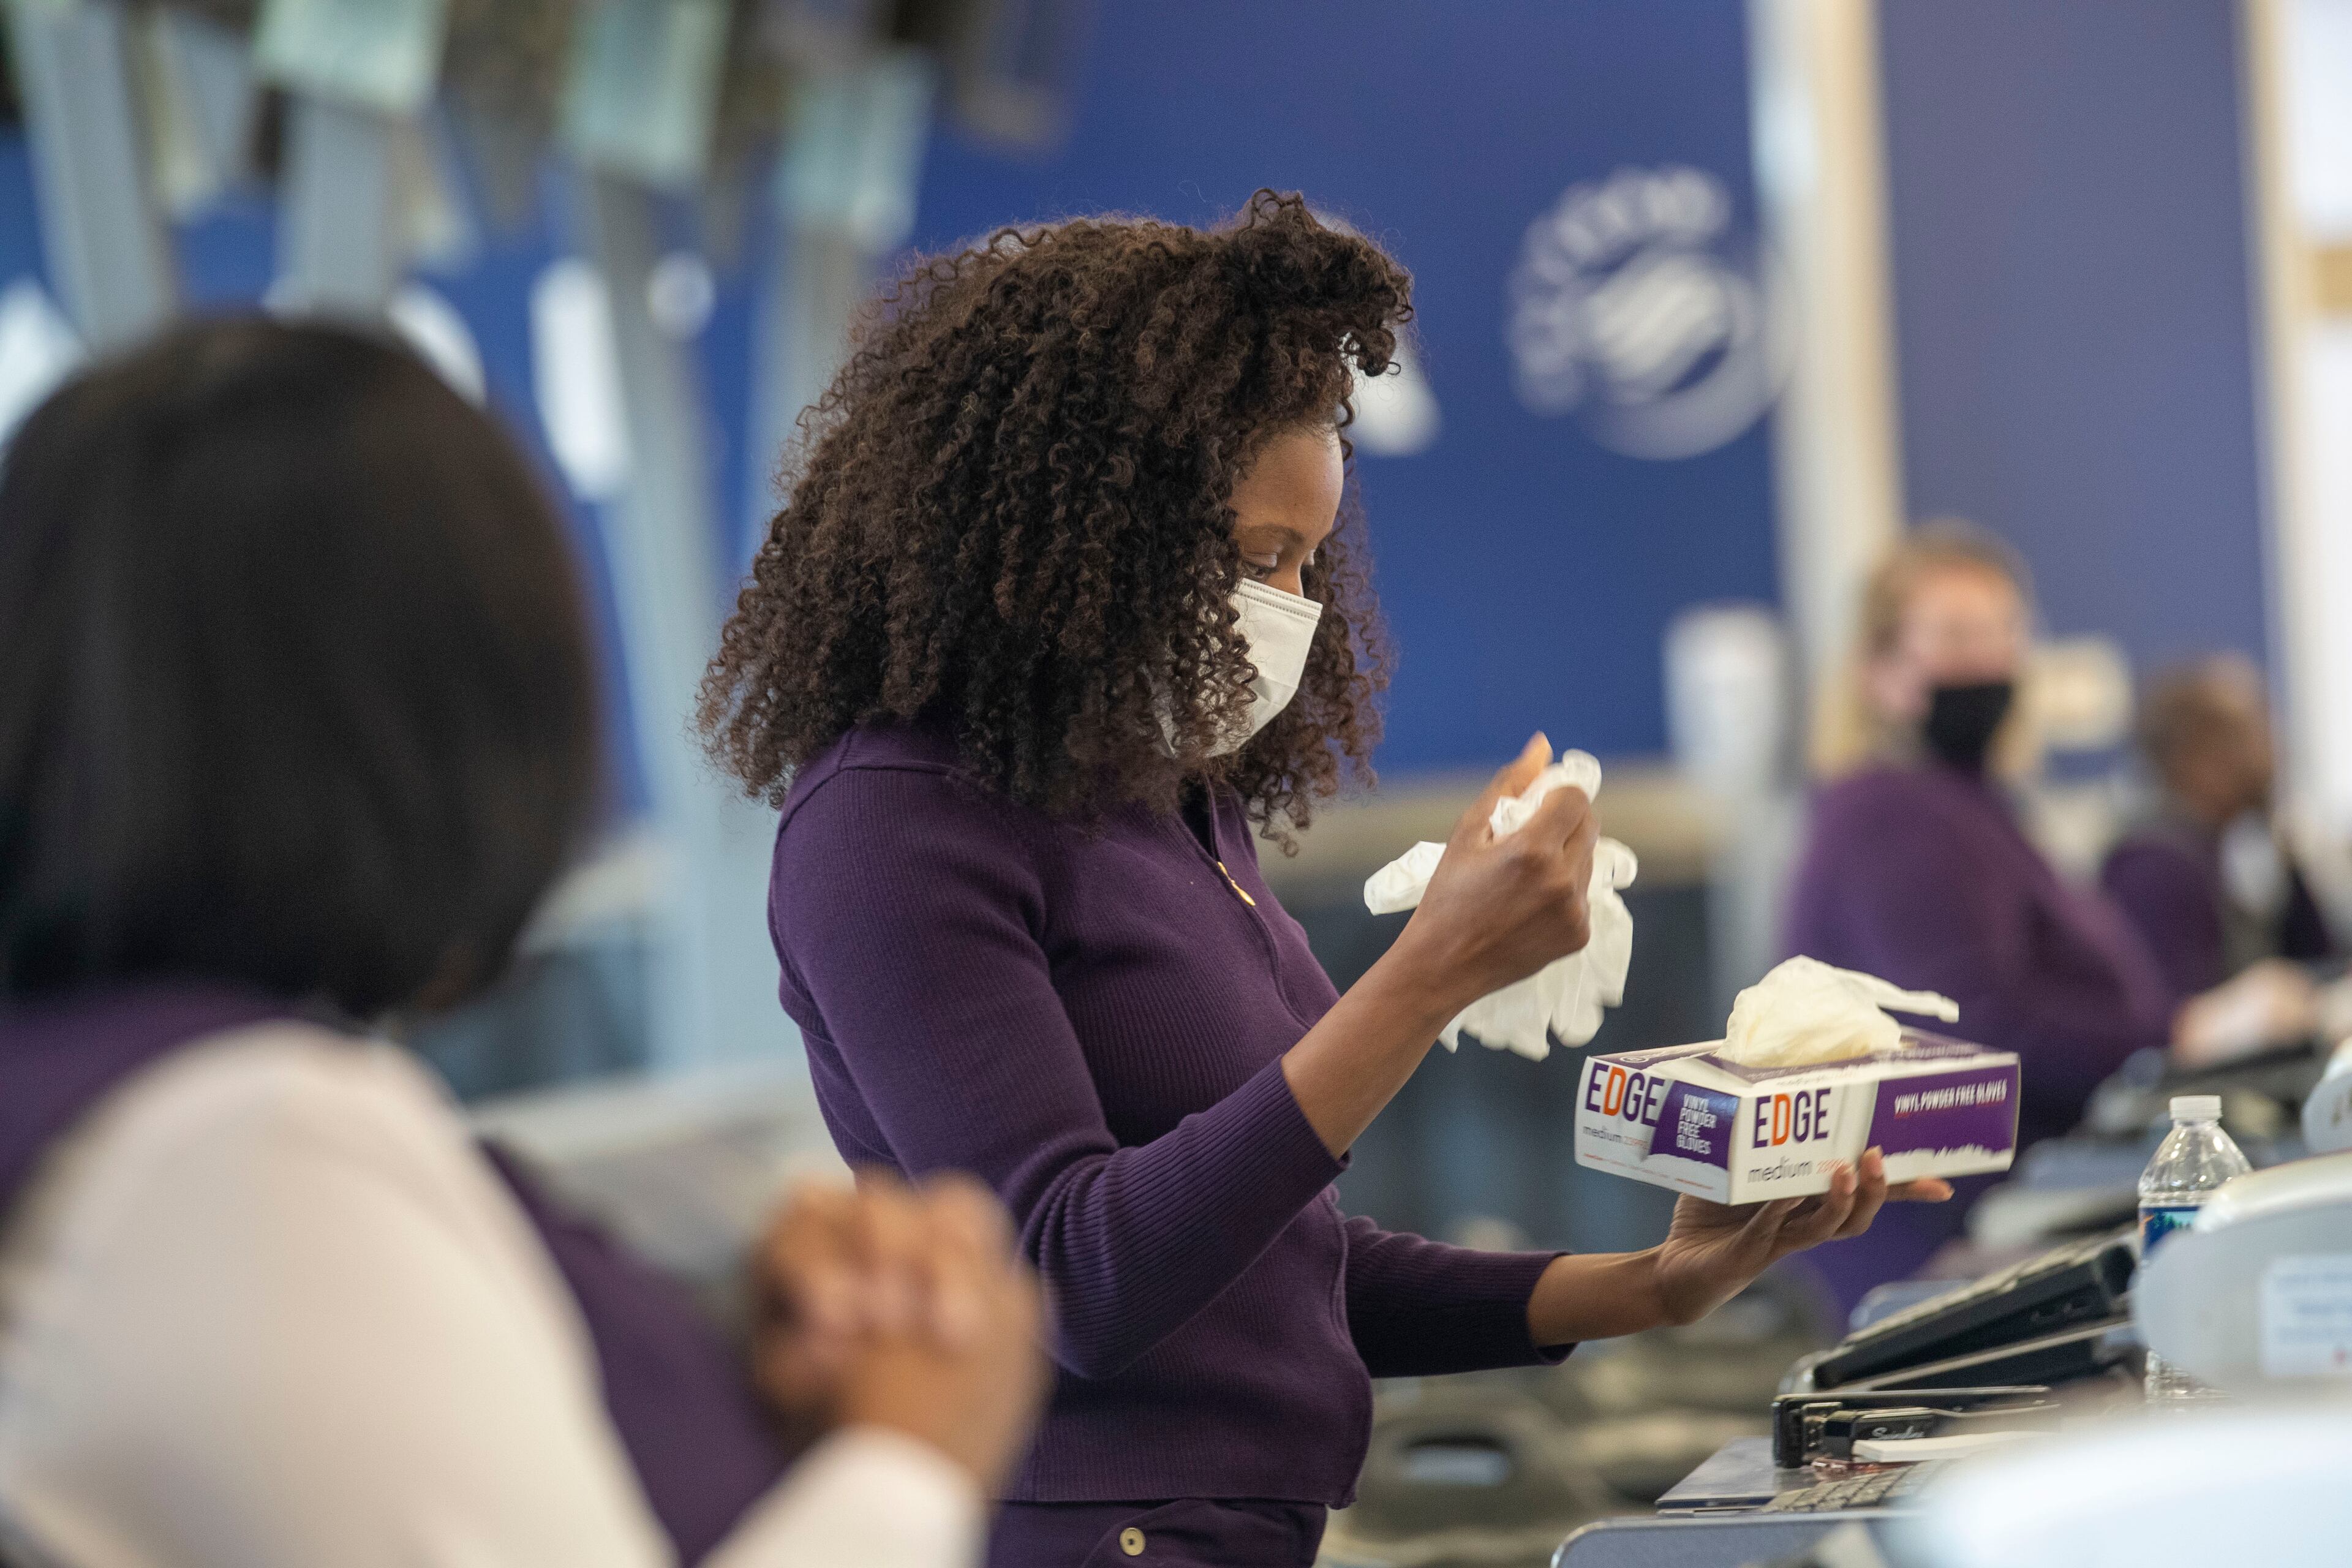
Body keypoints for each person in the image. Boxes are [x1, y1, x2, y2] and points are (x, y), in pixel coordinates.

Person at [699, 191, 1945, 1568]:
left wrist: (1652, 1284)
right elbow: (1075, 1273)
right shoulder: (892, 826)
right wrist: (1425, 978)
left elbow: (1282, 1259)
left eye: (1304, 561)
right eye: (1250, 557)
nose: (1281, 604)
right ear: (1081, 531)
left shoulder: (1163, 794)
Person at [0, 318, 1047, 1568]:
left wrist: (731, 1353)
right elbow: (1092, 1238)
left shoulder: (141, 1114)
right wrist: (913, 1451)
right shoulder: (237, 1144)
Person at [1780, 523, 2282, 1313]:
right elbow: (1981, 1025)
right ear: (1881, 671)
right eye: (1954, 636)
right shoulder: (1891, 813)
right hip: (1946, 1241)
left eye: (2002, 633)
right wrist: (2184, 1034)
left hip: (2022, 1207)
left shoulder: (1974, 805)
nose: (1987, 660)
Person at [2101, 655, 2336, 1014]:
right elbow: (2185, 1027)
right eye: (2252, 732)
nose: (2272, 752)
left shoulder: (2221, 849)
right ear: (2196, 756)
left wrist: (2286, 853)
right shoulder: (2154, 867)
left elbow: (2319, 963)